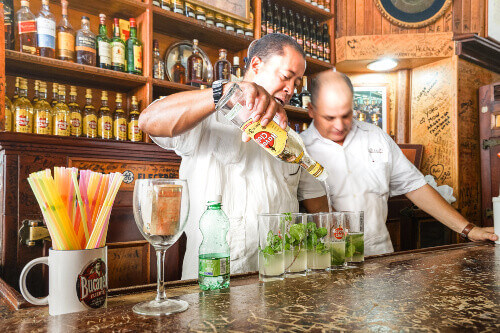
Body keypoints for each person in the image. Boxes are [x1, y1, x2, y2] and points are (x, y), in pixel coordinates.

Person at [139, 34, 329, 280]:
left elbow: (320, 206)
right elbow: (148, 120)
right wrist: (222, 93)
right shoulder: (206, 119)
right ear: (257, 65)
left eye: (297, 83)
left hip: (279, 283)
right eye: (285, 77)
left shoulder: (290, 139)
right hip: (213, 282)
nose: (291, 89)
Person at [301, 71, 498, 256]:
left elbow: (415, 186)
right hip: (327, 258)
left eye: (346, 115)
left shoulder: (375, 136)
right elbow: (314, 209)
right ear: (311, 109)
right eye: (329, 117)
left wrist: (468, 230)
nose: (339, 125)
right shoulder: (300, 148)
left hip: (379, 254)